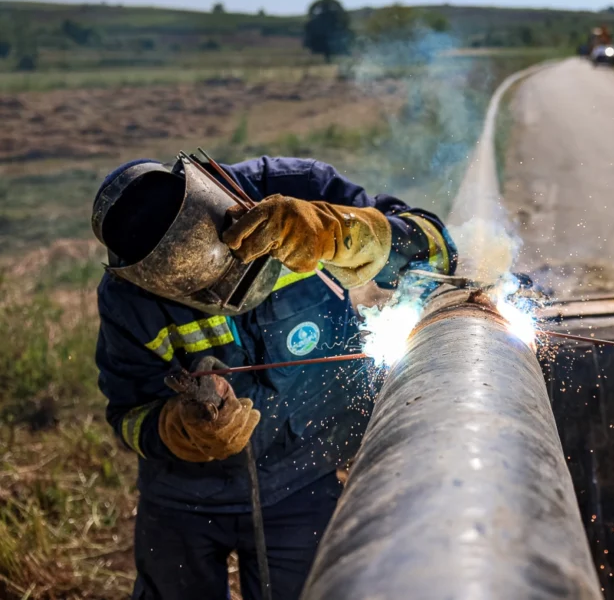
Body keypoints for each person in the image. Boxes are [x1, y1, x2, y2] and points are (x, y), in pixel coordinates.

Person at [91, 153, 456, 600]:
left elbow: (437, 252)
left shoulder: (296, 188)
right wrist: (179, 429)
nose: (221, 296)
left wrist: (342, 233)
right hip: (182, 501)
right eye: (195, 291)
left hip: (305, 479)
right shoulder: (128, 298)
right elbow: (127, 414)